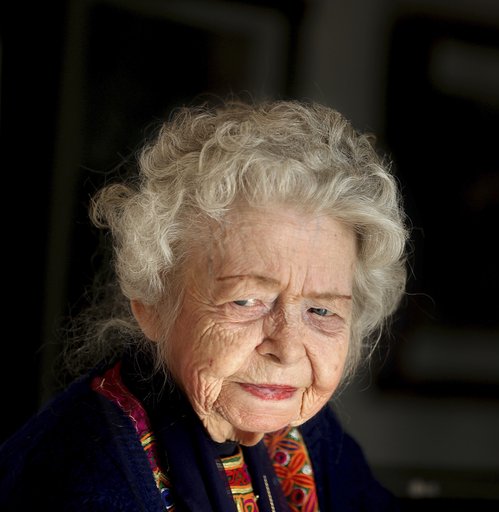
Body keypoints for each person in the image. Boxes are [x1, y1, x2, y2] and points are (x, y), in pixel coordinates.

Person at [0, 97, 409, 511]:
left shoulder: (309, 434)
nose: (286, 349)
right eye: (247, 301)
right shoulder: (81, 480)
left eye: (321, 311)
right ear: (152, 303)